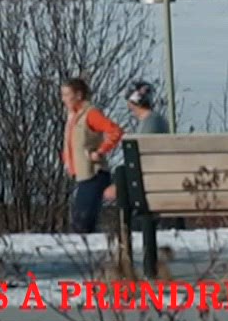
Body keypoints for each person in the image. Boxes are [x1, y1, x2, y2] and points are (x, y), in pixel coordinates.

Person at [61, 76, 124, 235]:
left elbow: (115, 131)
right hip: (81, 175)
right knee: (80, 221)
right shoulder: (72, 117)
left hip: (93, 174)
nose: (63, 99)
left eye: (67, 94)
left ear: (79, 95)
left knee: (82, 222)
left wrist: (101, 151)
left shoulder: (91, 114)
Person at [105, 80, 169, 202]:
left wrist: (118, 187)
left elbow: (140, 162)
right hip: (160, 180)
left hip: (149, 187)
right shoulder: (158, 120)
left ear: (131, 101)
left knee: (119, 175)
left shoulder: (150, 124)